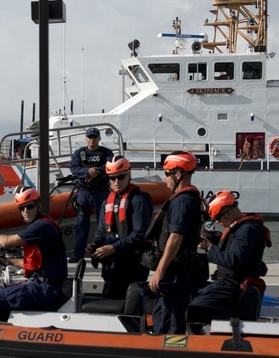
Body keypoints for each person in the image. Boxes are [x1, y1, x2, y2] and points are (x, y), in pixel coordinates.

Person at [0, 187, 69, 323]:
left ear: (38, 205)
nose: (26, 211)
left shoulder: (41, 227)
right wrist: (9, 261)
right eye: (22, 208)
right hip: (44, 285)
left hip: (44, 288)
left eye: (29, 206)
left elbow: (6, 242)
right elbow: (34, 263)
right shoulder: (42, 225)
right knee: (3, 296)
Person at [144, 151, 207, 334]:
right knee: (161, 317)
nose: (165, 178)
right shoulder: (185, 199)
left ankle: (169, 355)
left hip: (176, 272)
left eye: (167, 173)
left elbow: (175, 237)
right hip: (175, 270)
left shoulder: (183, 202)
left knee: (171, 321)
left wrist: (159, 271)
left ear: (178, 174)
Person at [187, 191, 270, 328]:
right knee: (187, 291)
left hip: (230, 287)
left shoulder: (247, 231)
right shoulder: (243, 229)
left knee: (193, 309)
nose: (218, 222)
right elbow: (234, 247)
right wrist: (214, 239)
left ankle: (195, 340)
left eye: (218, 219)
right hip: (225, 284)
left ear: (228, 213)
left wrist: (209, 248)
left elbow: (234, 260)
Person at [86, 155, 152, 299]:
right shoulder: (107, 202)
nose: (116, 182)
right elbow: (101, 231)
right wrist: (95, 245)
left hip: (133, 264)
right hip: (113, 265)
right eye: (112, 178)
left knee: (129, 305)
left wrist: (113, 248)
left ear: (129, 175)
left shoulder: (139, 200)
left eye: (120, 177)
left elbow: (139, 235)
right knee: (109, 300)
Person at [68, 127, 114, 262]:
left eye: (94, 137)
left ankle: (103, 253)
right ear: (86, 138)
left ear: (99, 139)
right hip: (84, 192)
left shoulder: (106, 152)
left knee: (104, 223)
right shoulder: (79, 153)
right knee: (82, 224)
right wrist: (88, 172)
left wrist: (96, 171)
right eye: (90, 137)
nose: (92, 139)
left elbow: (110, 165)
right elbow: (74, 169)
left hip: (101, 192)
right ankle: (78, 254)